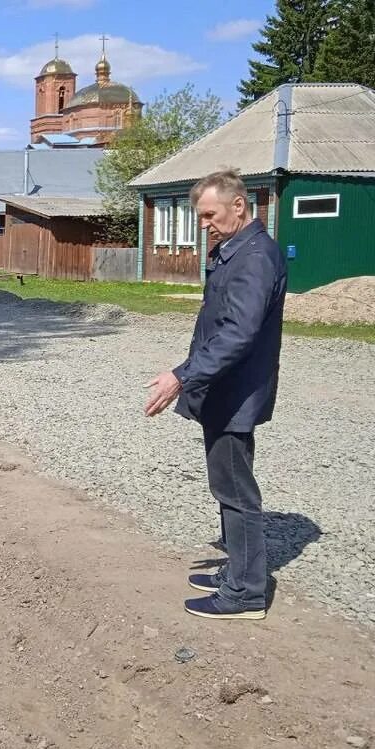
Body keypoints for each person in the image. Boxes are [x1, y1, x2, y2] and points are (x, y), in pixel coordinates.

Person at [144, 169, 287, 621]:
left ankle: (245, 594)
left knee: (236, 492)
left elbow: (238, 333)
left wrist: (181, 376)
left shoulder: (255, 257)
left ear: (239, 206)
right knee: (226, 485)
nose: (203, 222)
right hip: (223, 391)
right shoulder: (235, 251)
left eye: (209, 213)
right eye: (200, 215)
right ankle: (238, 574)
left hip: (234, 393)